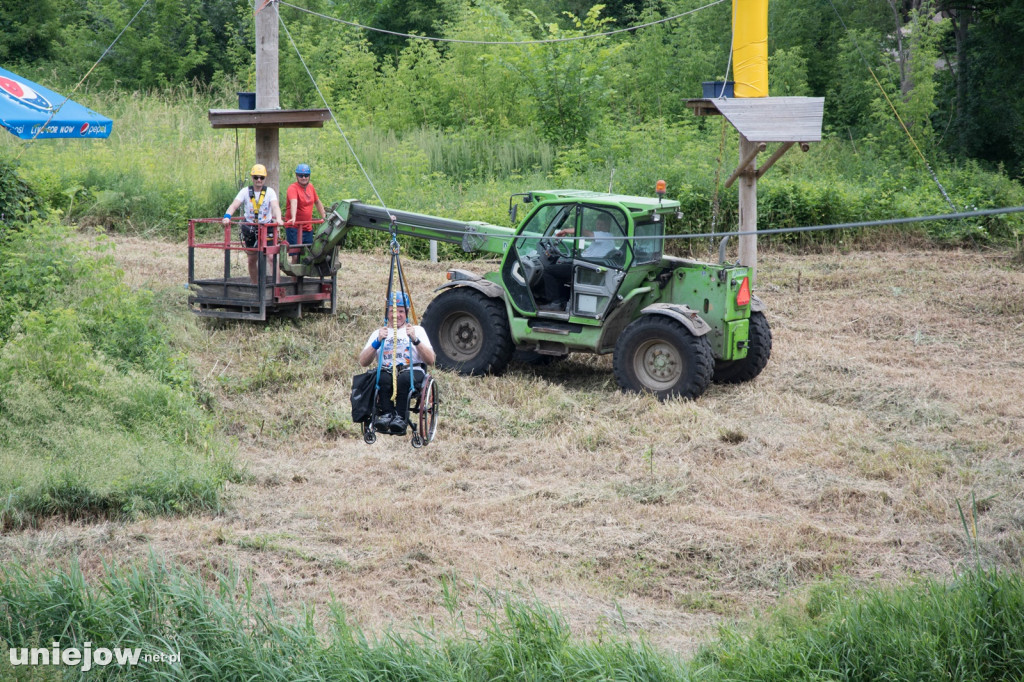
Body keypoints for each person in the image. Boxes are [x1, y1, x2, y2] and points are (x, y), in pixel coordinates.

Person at [357, 291, 436, 435]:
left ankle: (400, 417)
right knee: (381, 377)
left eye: (400, 311)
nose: (396, 315)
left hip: (411, 371)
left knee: (404, 379)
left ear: (406, 313)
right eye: (393, 311)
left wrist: (415, 339)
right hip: (387, 370)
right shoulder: (379, 333)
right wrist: (377, 342)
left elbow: (431, 360)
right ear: (387, 313)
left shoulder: (417, 330)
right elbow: (363, 361)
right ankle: (387, 415)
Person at [222, 164, 283, 284]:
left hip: (267, 227)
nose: (259, 180)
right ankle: (255, 285)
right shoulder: (245, 191)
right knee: (251, 259)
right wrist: (227, 217)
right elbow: (234, 205)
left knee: (272, 257)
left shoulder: (270, 192)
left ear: (265, 178)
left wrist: (279, 219)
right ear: (252, 178)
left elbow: (275, 206)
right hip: (250, 228)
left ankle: (277, 286)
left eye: (261, 177)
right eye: (256, 177)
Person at [284, 163, 326, 251]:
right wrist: (293, 217)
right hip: (294, 227)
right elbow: (294, 202)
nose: (304, 178)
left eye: (306, 175)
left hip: (307, 227)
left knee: (308, 253)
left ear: (309, 176)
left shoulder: (311, 187)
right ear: (296, 176)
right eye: (301, 175)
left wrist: (324, 216)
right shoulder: (293, 188)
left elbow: (317, 202)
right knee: (295, 253)